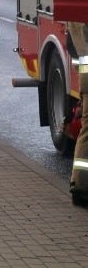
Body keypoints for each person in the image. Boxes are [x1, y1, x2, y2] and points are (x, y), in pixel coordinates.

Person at [68, 21, 88, 205]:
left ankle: (80, 186)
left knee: (87, 130)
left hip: (85, 76)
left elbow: (71, 46)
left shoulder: (75, 15)